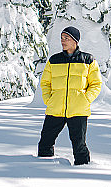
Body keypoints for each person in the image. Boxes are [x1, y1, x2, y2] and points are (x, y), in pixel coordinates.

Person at [37, 26, 102, 165]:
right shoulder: (54, 60)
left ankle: (83, 171)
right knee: (45, 142)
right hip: (55, 108)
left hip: (78, 110)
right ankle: (42, 168)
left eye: (66, 38)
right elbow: (45, 83)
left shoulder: (88, 60)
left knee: (79, 145)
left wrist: (85, 99)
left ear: (75, 41)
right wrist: (49, 100)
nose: (63, 41)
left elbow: (96, 84)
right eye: (61, 38)